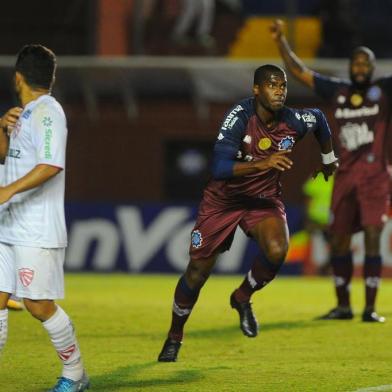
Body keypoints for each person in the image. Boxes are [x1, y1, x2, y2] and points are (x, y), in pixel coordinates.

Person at [157, 64, 338, 362]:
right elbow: (218, 168)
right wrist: (262, 164)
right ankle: (175, 336)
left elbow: (319, 119)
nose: (279, 90)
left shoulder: (294, 120)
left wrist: (329, 159)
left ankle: (241, 297)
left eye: (282, 85)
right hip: (223, 202)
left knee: (278, 250)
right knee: (198, 272)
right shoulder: (239, 118)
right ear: (256, 90)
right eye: (271, 84)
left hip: (263, 200)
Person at [271, 19, 391, 322]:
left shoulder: (384, 90)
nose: (361, 66)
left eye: (366, 62)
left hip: (376, 175)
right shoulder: (337, 91)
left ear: (373, 67)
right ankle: (343, 306)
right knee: (338, 239)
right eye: (356, 62)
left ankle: (370, 308)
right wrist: (282, 40)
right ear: (350, 67)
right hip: (346, 175)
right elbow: (299, 72)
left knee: (374, 236)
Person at [0, 45, 89, 391]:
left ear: (18, 77)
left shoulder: (49, 113)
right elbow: (5, 158)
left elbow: (51, 165)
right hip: (7, 225)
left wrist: (8, 192)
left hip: (35, 229)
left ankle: (75, 374)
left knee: (38, 305)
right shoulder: (24, 114)